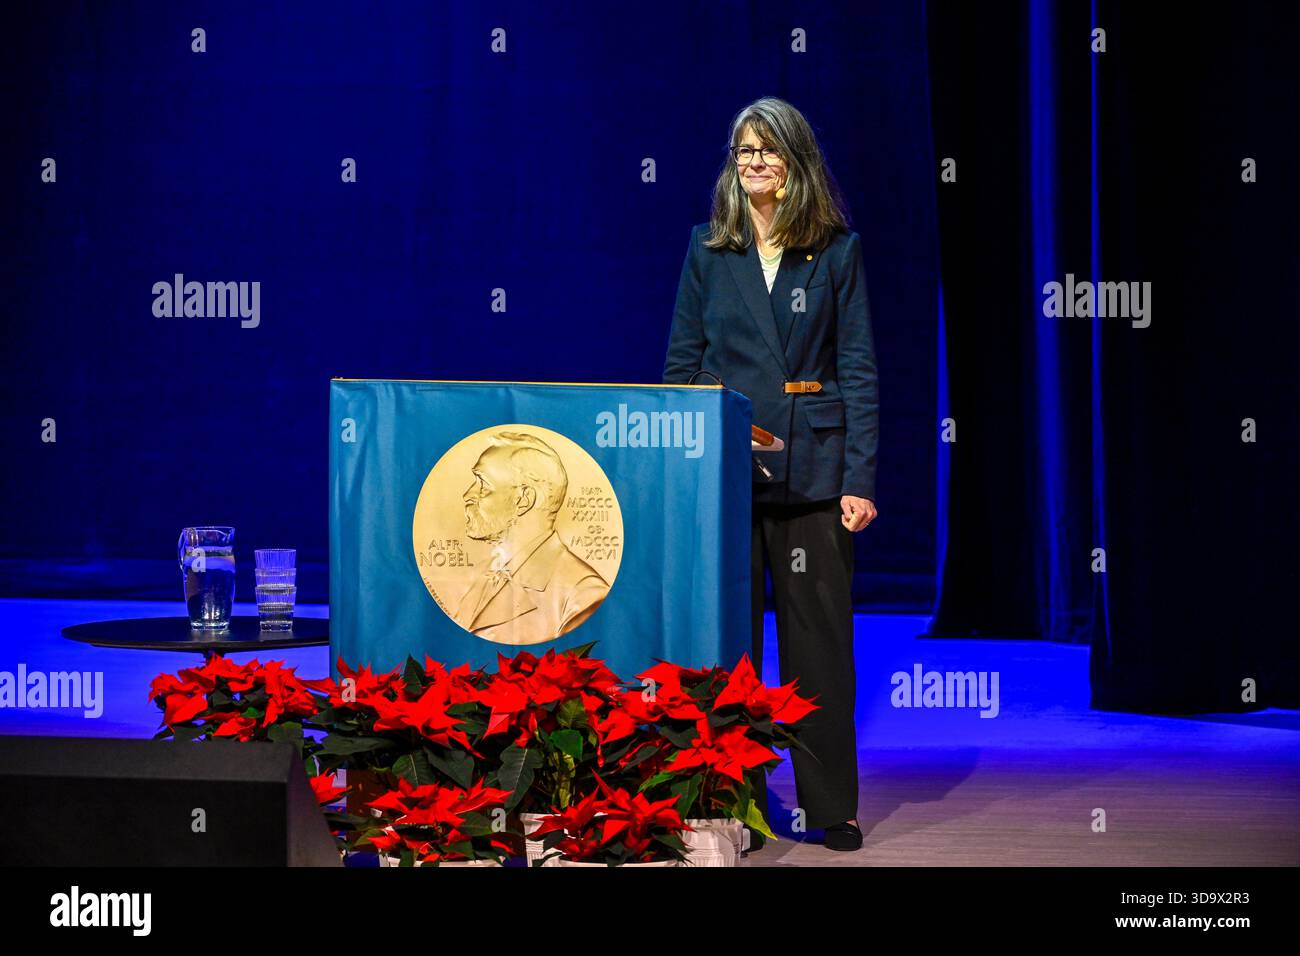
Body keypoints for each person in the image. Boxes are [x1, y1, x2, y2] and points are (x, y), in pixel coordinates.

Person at [662, 96, 879, 853]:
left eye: (766, 150)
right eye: (741, 151)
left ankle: (831, 808)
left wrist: (860, 478)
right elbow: (682, 369)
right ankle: (740, 808)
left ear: (794, 163)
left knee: (818, 650)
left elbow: (856, 370)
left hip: (815, 477)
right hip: (725, 479)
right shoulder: (707, 249)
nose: (752, 162)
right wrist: (683, 474)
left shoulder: (837, 252)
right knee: (732, 656)